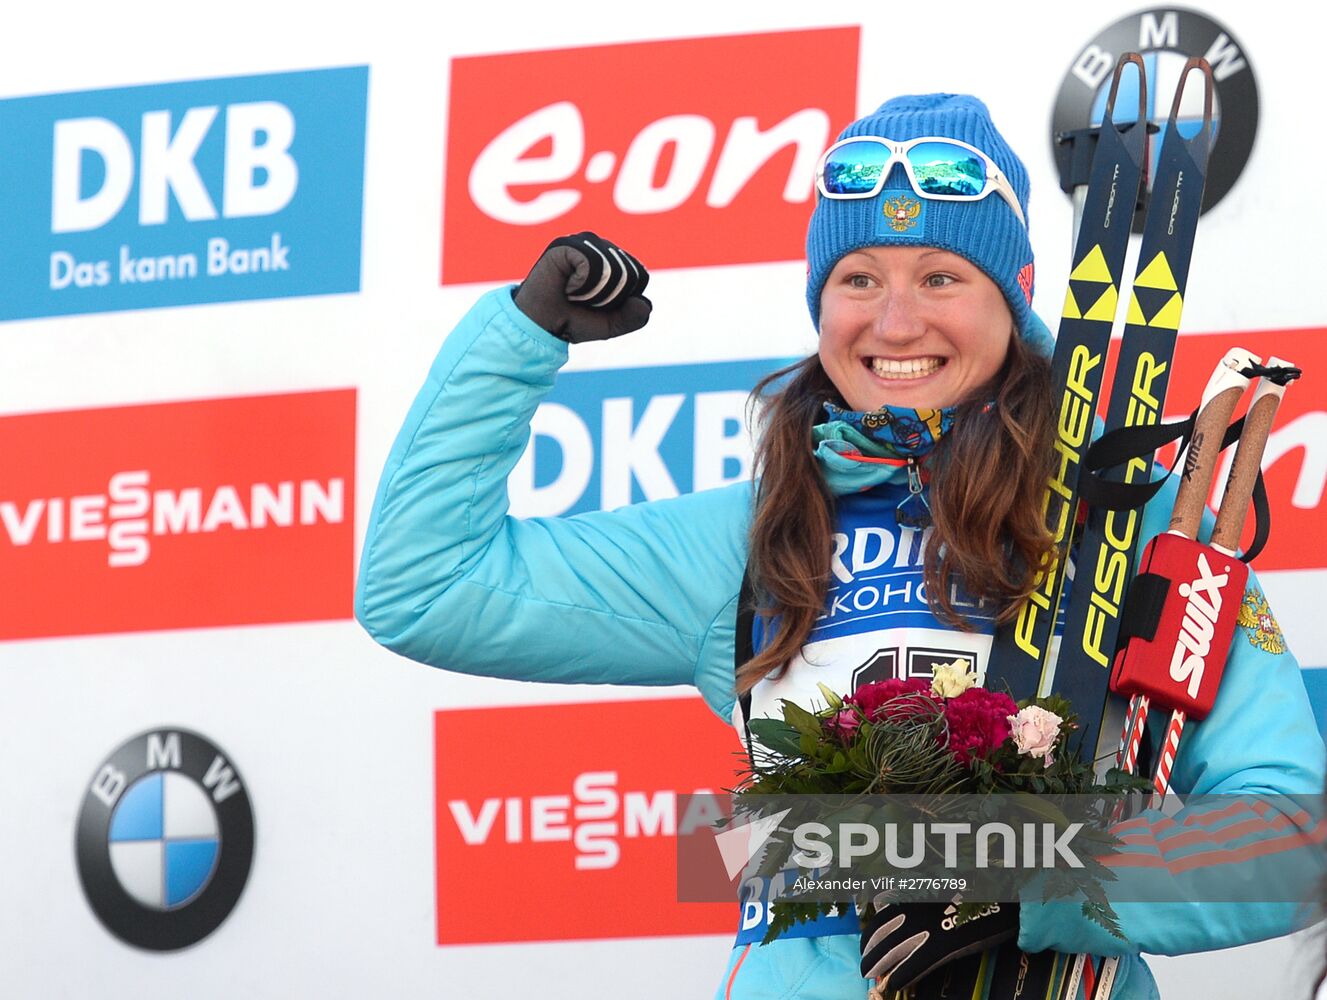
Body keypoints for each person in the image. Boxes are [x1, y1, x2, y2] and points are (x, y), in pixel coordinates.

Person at [355, 94, 1325, 999]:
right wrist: (517, 342)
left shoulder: (1129, 519)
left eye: (941, 277)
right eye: (858, 280)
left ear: (1013, 297)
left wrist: (1036, 882)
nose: (894, 322)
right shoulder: (752, 536)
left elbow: (1292, 840)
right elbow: (425, 587)